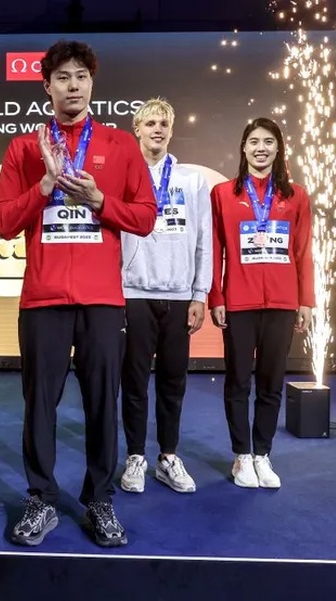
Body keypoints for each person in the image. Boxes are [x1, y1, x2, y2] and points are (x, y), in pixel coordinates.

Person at [0, 40, 157, 548]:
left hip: (103, 300)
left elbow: (146, 218)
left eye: (80, 76)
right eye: (62, 77)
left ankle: (99, 499)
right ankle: (41, 499)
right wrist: (44, 185)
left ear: (92, 84)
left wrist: (99, 199)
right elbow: (2, 222)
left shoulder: (120, 145)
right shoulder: (24, 147)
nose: (72, 85)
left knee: (103, 402)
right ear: (47, 86)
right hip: (42, 298)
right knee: (39, 404)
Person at [209, 117, 314, 489]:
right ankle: (241, 456)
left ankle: (262, 454)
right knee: (238, 381)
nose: (260, 148)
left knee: (271, 382)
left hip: (283, 302)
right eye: (254, 141)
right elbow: (215, 249)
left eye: (268, 142)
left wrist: (306, 300)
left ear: (278, 148)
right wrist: (216, 295)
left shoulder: (296, 195)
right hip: (239, 301)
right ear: (243, 147)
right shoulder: (223, 193)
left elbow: (302, 251)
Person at [119, 98, 212, 495]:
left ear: (171, 130)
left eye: (164, 124)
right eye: (150, 123)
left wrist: (200, 293)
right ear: (137, 129)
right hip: (133, 292)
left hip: (178, 295)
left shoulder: (192, 181)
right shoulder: (123, 175)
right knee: (135, 381)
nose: (157, 129)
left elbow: (205, 239)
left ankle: (168, 456)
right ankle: (136, 455)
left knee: (174, 381)